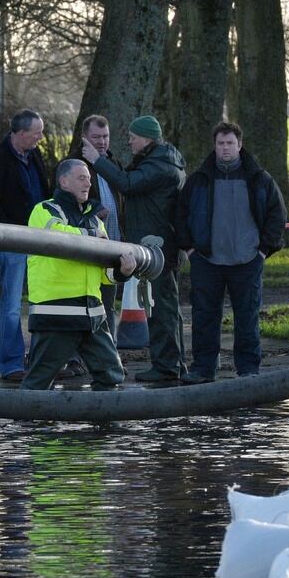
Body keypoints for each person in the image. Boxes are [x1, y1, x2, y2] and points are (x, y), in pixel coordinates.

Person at [174, 122, 287, 384]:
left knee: (247, 318)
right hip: (206, 260)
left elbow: (276, 215)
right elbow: (180, 214)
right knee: (204, 317)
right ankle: (203, 368)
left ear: (239, 145)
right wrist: (190, 249)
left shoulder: (259, 179)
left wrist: (263, 251)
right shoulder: (199, 180)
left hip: (248, 261)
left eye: (230, 143)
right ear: (214, 146)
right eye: (220, 143)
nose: (225, 148)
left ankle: (248, 370)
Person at [81, 114, 186, 383]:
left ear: (147, 138)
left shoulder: (159, 165)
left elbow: (127, 184)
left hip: (156, 248)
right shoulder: (160, 160)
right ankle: (174, 363)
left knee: (160, 307)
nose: (129, 142)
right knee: (165, 306)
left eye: (133, 137)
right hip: (156, 245)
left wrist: (96, 160)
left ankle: (166, 367)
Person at [20, 159, 139, 392]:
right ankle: (29, 425)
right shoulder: (44, 210)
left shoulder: (94, 219)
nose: (88, 183)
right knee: (39, 381)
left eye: (89, 178)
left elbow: (105, 274)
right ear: (64, 182)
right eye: (81, 178)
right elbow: (60, 239)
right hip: (57, 313)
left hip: (92, 315)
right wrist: (94, 235)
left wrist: (122, 272)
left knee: (111, 375)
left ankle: (101, 425)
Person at [0, 109, 49, 382]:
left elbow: (43, 191)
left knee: (43, 300)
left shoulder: (34, 156)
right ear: (20, 134)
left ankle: (43, 358)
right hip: (13, 240)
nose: (40, 138)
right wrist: (10, 232)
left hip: (41, 240)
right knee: (10, 306)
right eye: (37, 133)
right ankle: (10, 364)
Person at [74, 114, 125, 336]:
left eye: (105, 136)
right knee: (83, 305)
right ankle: (78, 357)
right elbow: (65, 201)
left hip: (113, 246)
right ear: (84, 137)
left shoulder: (113, 164)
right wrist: (94, 209)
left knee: (108, 303)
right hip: (88, 247)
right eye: (96, 137)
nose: (102, 142)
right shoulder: (74, 166)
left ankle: (109, 354)